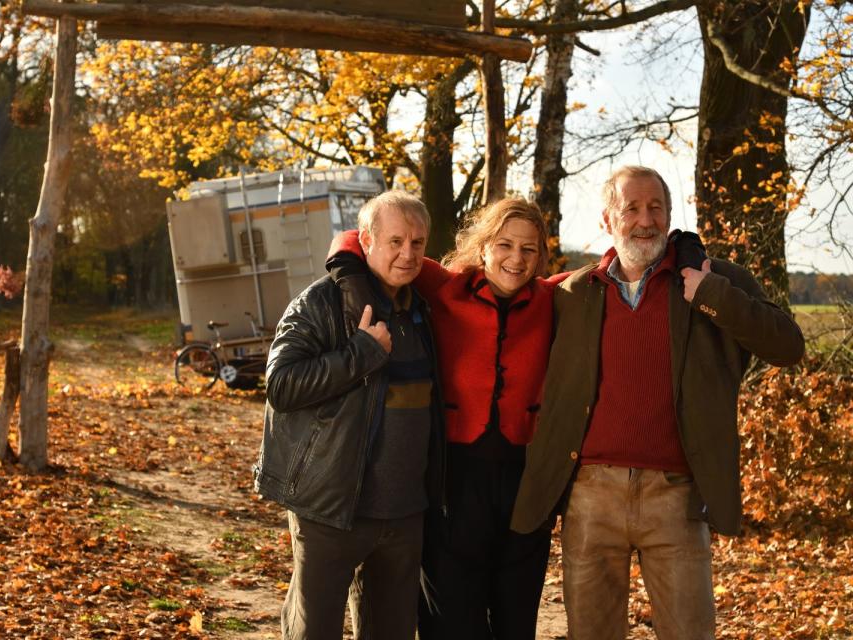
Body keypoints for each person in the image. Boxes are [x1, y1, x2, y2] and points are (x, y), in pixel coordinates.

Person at [510, 165, 805, 640]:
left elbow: (788, 346)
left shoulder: (712, 279)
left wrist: (711, 294)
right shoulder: (573, 292)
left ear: (670, 215)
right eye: (631, 208)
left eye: (656, 208)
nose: (645, 220)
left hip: (676, 496)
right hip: (591, 495)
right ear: (608, 219)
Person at [328, 198, 556, 639]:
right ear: (484, 245)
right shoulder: (445, 286)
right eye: (505, 244)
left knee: (516, 616)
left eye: (529, 249)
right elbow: (353, 240)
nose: (516, 259)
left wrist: (685, 250)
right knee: (451, 616)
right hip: (453, 476)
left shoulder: (555, 298)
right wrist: (353, 286)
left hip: (524, 483)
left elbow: (610, 270)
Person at [254, 190, 445, 640]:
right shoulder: (319, 303)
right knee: (314, 631)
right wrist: (360, 353)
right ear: (367, 240)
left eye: (418, 243)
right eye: (396, 240)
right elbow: (281, 386)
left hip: (403, 513)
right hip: (332, 507)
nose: (407, 253)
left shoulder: (422, 307)